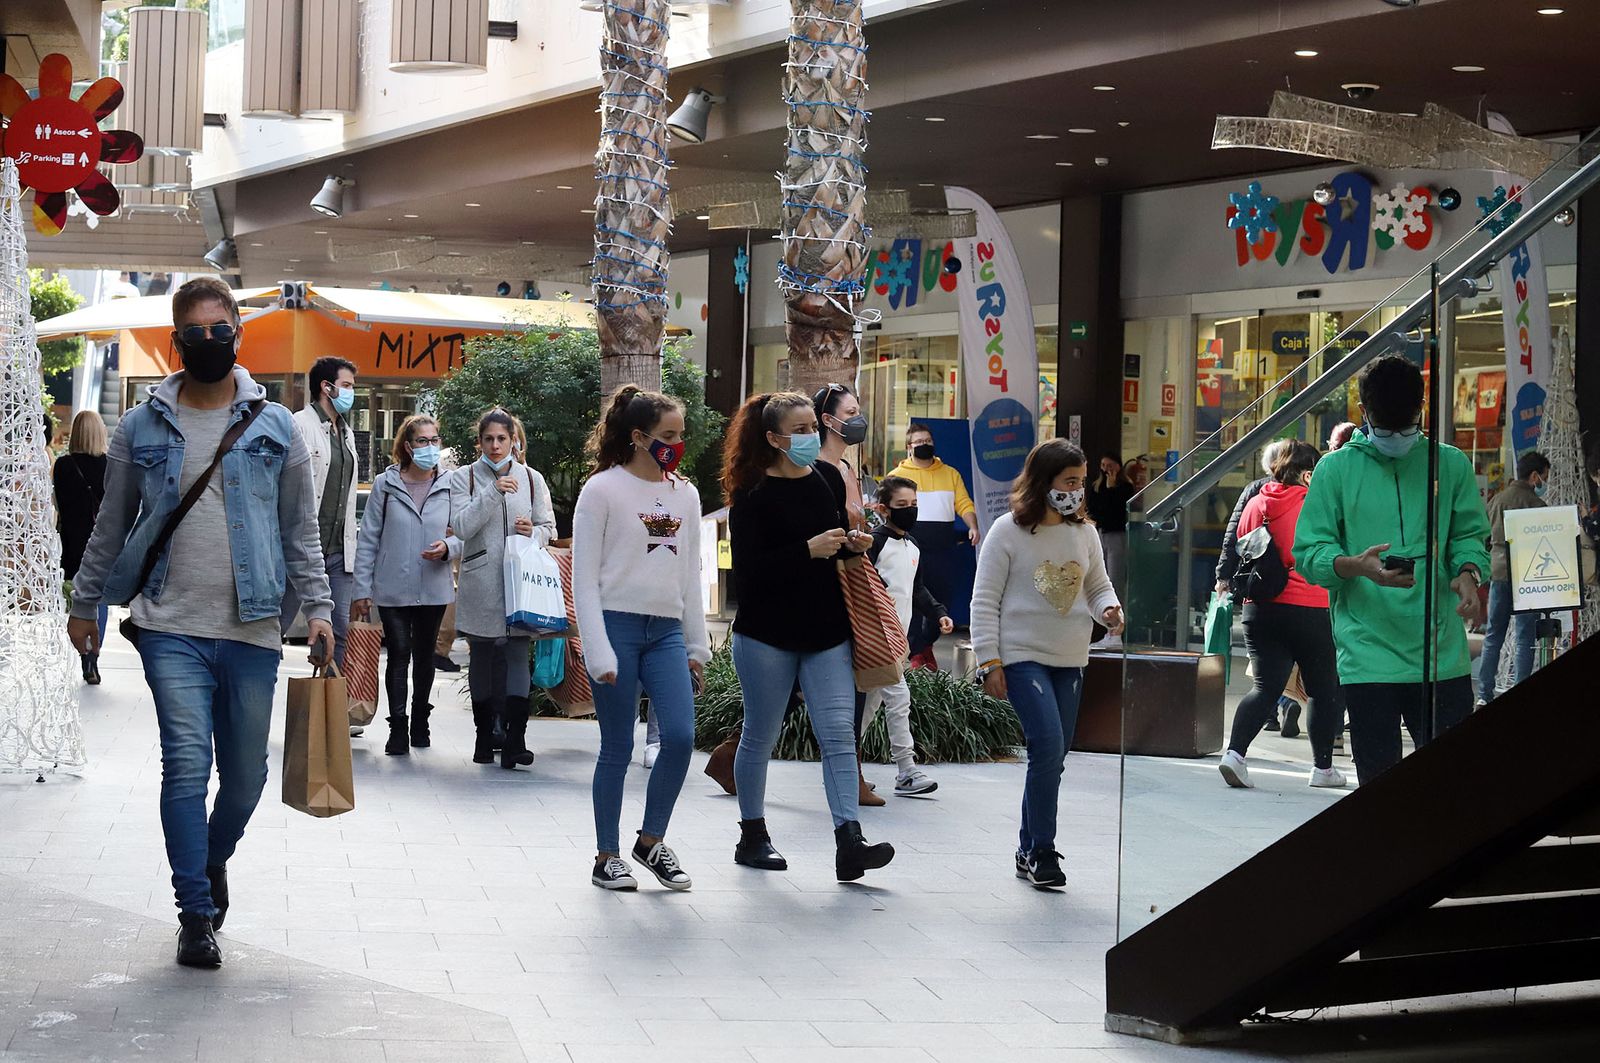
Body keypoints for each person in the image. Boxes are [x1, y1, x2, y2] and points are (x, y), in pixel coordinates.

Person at [66, 277, 333, 969]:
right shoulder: (140, 426)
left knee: (245, 777)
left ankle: (211, 861)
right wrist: (85, 602)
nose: (209, 341)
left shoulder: (277, 426)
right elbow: (110, 524)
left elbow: (300, 530)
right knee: (186, 763)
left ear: (238, 334)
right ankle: (195, 912)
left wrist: (321, 607)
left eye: (221, 330)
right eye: (196, 333)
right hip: (168, 623)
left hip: (252, 625)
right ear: (176, 341)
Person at [722, 392, 894, 882]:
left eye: (812, 428)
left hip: (827, 630)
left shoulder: (826, 478)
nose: (809, 437)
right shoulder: (752, 492)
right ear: (773, 438)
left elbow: (833, 542)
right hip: (766, 634)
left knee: (839, 735)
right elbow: (748, 574)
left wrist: (852, 545)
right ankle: (753, 835)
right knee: (760, 735)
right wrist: (806, 550)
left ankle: (849, 840)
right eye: (798, 430)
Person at [1294, 355, 1490, 785]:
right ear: (1363, 412)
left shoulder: (1450, 464)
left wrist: (1467, 573)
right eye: (1385, 429)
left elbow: (1470, 535)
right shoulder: (1335, 470)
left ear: (1421, 409)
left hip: (1440, 656)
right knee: (1380, 790)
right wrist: (1355, 566)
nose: (1397, 438)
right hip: (1367, 657)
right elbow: (1309, 553)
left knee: (1455, 788)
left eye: (1406, 427)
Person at [573, 386, 709, 891]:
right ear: (638, 436)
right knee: (617, 746)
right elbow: (583, 579)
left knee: (680, 737)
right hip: (617, 626)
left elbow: (690, 574)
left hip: (666, 631)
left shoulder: (686, 495)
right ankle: (606, 855)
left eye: (680, 435)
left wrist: (696, 645)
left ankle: (651, 842)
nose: (676, 445)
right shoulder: (602, 490)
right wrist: (598, 650)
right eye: (667, 436)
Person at [970, 439, 1122, 890]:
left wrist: (1109, 610)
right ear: (1043, 482)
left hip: (1071, 658)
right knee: (1048, 745)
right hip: (1021, 656)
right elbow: (984, 600)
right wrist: (989, 661)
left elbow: (1097, 586)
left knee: (1053, 756)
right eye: (1069, 482)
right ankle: (1042, 850)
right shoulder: (1006, 531)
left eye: (1081, 482)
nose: (1077, 491)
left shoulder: (1085, 533)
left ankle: (1026, 847)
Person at [1216, 442, 1347, 790]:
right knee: (1322, 690)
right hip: (1310, 606)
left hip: (1260, 608)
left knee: (1264, 687)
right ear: (1308, 474)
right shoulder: (1313, 504)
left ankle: (1234, 755)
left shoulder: (1255, 502)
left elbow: (1240, 545)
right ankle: (1323, 770)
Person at [449, 408, 556, 770]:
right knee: (480, 654)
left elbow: (548, 527)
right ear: (479, 442)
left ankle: (515, 740)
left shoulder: (532, 479)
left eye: (502, 439)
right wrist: (493, 492)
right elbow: (462, 527)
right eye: (489, 439)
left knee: (517, 653)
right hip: (481, 580)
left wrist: (534, 532)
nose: (495, 446)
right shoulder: (464, 477)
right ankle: (483, 736)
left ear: (514, 440)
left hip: (521, 581)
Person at [351, 415, 459, 757]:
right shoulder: (386, 484)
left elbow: (464, 531)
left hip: (433, 584)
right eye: (423, 441)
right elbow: (368, 538)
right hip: (392, 585)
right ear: (408, 446)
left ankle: (420, 721)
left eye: (434, 440)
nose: (430, 446)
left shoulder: (451, 483)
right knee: (398, 654)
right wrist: (361, 590)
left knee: (425, 656)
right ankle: (397, 726)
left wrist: (448, 548)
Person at [813, 383, 882, 807]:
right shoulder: (819, 469)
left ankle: (851, 773)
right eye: (850, 412)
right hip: (831, 585)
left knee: (851, 678)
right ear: (828, 420)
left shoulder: (848, 469)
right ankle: (850, 776)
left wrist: (862, 537)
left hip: (854, 578)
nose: (859, 419)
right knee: (845, 681)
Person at [864, 475, 950, 797]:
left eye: (914, 504)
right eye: (903, 505)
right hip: (877, 639)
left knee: (870, 706)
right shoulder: (874, 543)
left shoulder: (912, 546)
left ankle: (843, 766)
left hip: (899, 640)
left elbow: (917, 589)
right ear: (884, 509)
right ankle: (906, 770)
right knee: (899, 698)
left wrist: (938, 613)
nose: (911, 510)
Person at [281, 355, 359, 671]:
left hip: (339, 549)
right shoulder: (299, 424)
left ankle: (332, 698)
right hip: (300, 547)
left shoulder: (346, 433)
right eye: (347, 385)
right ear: (327, 387)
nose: (352, 392)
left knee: (338, 630)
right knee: (276, 623)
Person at [1214, 439, 1297, 734]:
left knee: (1263, 663)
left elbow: (1233, 534)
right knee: (1292, 657)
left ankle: (1272, 712)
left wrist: (1224, 576)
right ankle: (1287, 702)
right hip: (1296, 589)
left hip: (1259, 587)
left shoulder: (1255, 490)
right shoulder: (1302, 493)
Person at [891, 423, 979, 669]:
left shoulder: (950, 474)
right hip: (910, 547)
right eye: (919, 442)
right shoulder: (897, 476)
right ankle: (916, 651)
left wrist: (972, 525)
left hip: (943, 549)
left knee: (941, 601)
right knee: (913, 599)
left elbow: (964, 503)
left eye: (928, 441)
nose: (925, 445)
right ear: (909, 447)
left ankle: (926, 644)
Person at [1478, 450, 1549, 704]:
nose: (1544, 482)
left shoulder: (1497, 500)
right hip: (1527, 575)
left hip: (1498, 572)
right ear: (1534, 476)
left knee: (1493, 636)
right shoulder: (1537, 505)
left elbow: (1484, 535)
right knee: (1524, 638)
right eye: (1544, 477)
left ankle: (1483, 694)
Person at [54, 410, 110, 684]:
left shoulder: (63, 466)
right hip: (102, 541)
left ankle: (83, 652)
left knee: (77, 595)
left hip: (72, 541)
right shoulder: (109, 465)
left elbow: (59, 504)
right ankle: (93, 658)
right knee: (100, 598)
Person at [1086, 452, 1134, 596]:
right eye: (1103, 465)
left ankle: (1116, 603)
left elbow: (1117, 508)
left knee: (1115, 574)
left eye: (1110, 465)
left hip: (1116, 533)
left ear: (1118, 466)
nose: (1106, 469)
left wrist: (1111, 488)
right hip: (1101, 531)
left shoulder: (1125, 486)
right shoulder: (1097, 486)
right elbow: (1094, 508)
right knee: (1099, 571)